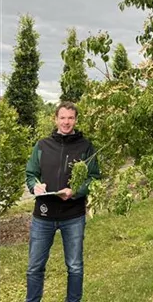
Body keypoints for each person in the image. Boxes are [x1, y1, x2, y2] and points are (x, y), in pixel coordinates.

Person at [25, 101, 100, 302]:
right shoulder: (42, 146)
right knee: (34, 267)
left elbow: (94, 177)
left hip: (73, 216)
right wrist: (35, 186)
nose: (66, 122)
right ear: (55, 119)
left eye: (70, 118)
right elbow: (31, 174)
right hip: (43, 215)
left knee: (74, 266)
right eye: (62, 117)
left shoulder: (86, 147)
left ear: (75, 119)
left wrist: (76, 191)